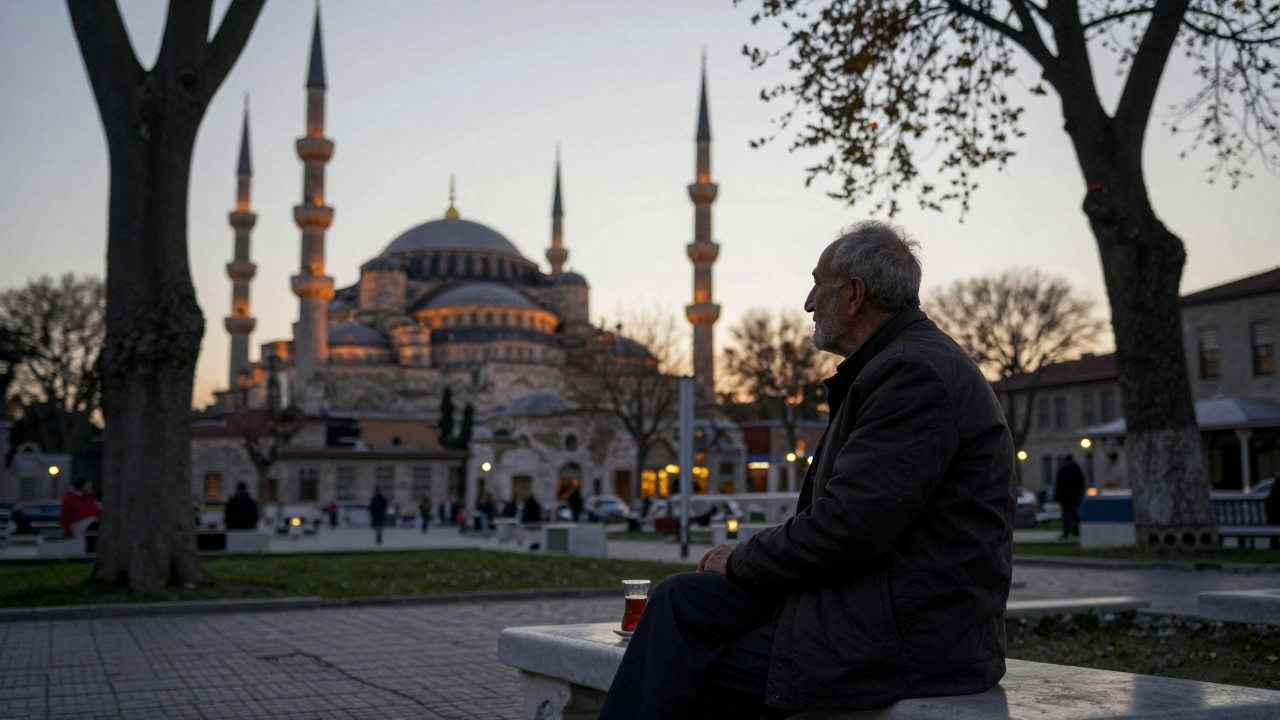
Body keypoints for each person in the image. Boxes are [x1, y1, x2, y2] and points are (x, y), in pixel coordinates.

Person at [599, 222, 1015, 719]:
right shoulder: (889, 368)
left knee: (684, 662)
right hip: (866, 604)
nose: (809, 302)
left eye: (818, 284)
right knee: (678, 602)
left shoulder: (912, 374)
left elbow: (848, 527)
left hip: (913, 636)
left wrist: (742, 558)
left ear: (855, 294)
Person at [1054, 456, 1086, 539]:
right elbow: (1081, 483)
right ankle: (1075, 531)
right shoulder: (1076, 469)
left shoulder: (1063, 470)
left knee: (1066, 515)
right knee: (1074, 514)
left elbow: (1059, 484)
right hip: (1074, 497)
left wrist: (1057, 496)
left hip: (1065, 497)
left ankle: (1067, 531)